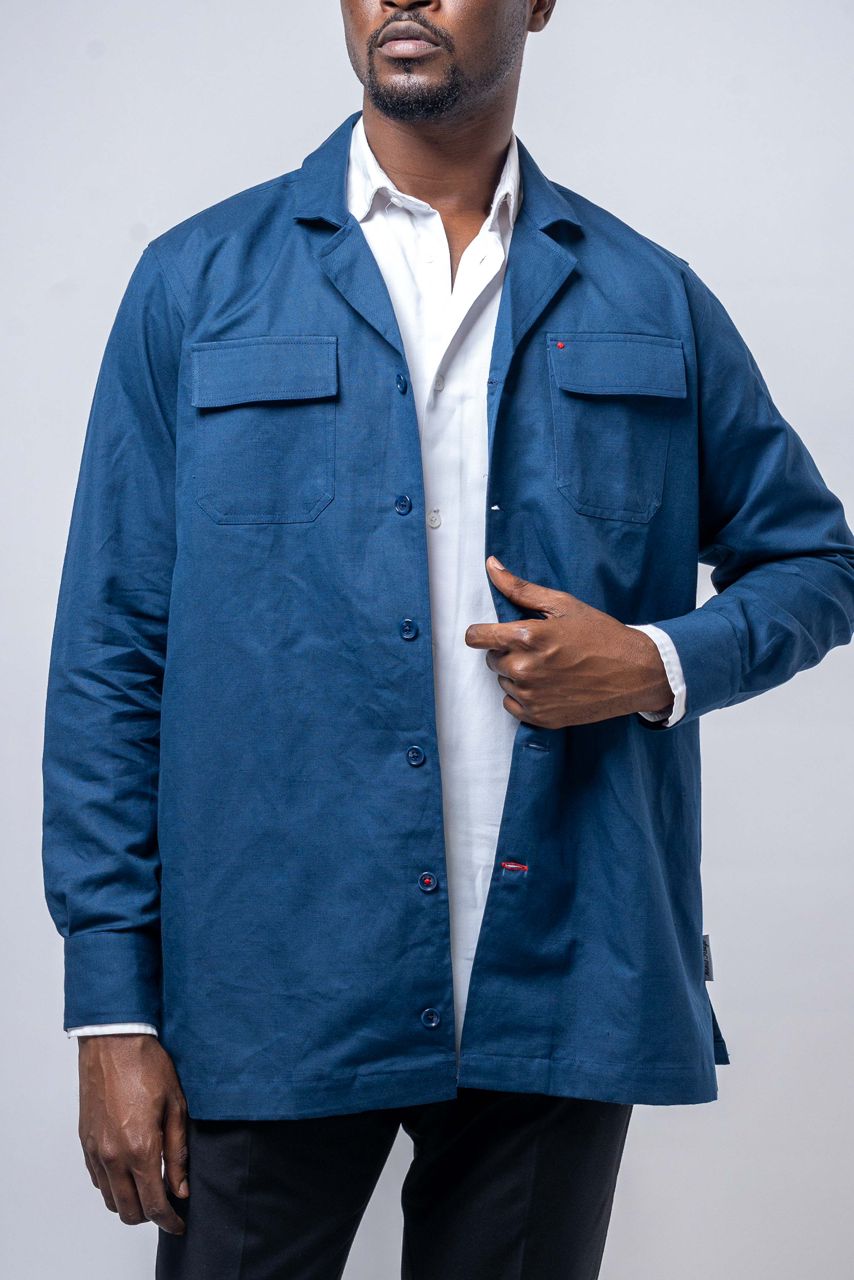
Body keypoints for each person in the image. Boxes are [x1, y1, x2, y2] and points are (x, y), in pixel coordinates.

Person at [41, 2, 854, 1278]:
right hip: (270, 980)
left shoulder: (647, 294)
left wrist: (653, 663)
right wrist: (111, 1004)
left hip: (563, 972)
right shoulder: (197, 283)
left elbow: (813, 559)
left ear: (537, 4)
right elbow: (111, 649)